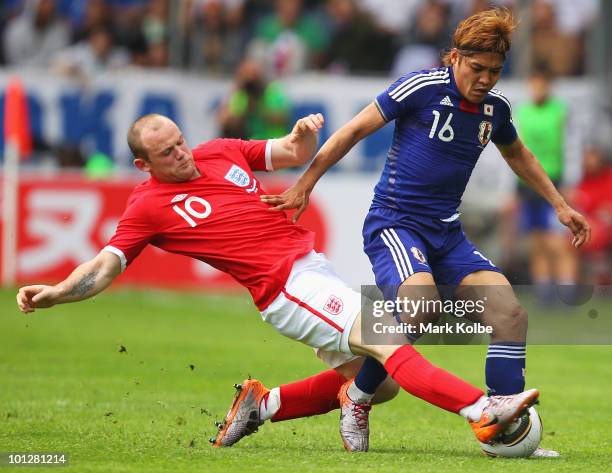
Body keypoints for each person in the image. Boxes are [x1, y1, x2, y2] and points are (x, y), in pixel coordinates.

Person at [16, 113, 539, 453]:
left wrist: (301, 136)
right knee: (390, 339)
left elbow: (286, 153)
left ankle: (260, 405)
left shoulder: (218, 150)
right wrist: (60, 290)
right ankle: (481, 408)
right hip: (285, 286)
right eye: (169, 152)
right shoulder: (147, 207)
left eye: (180, 141)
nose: (183, 153)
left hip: (310, 271)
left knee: (384, 386)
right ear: (143, 163)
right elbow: (106, 265)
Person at [250, 8, 589, 455]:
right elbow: (353, 130)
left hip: (447, 234)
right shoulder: (422, 86)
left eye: (495, 70)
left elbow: (518, 153)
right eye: (477, 68)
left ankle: (502, 426)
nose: (485, 78)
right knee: (420, 306)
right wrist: (304, 185)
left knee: (510, 313)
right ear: (454, 57)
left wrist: (561, 205)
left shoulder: (496, 108)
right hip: (394, 221)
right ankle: (357, 397)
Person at [512, 66, 577, 303]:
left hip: (554, 183)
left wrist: (571, 181)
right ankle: (544, 292)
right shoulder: (522, 112)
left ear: (548, 85)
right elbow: (513, 152)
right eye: (534, 84)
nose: (537, 89)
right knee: (536, 241)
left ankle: (567, 290)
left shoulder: (560, 111)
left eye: (541, 84)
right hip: (527, 185)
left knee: (557, 241)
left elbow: (572, 147)